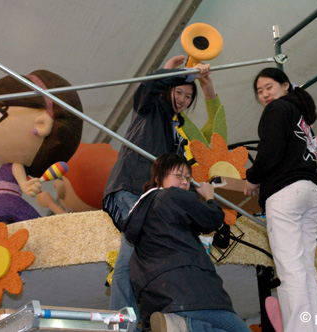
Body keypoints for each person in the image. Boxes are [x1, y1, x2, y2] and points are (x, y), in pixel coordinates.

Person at [102, 56, 211, 328]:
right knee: (129, 260)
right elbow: (149, 84)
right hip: (131, 189)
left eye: (188, 96)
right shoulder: (150, 108)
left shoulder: (176, 131)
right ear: (169, 89)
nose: (184, 99)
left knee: (137, 258)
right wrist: (183, 73)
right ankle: (123, 324)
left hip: (149, 197)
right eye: (180, 92)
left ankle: (134, 321)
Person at [122, 153, 252, 332]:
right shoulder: (171, 196)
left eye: (187, 178)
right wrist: (210, 198)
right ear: (159, 179)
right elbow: (212, 219)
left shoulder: (142, 218)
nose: (184, 182)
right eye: (178, 176)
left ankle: (179, 325)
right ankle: (185, 327)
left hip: (156, 299)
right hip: (191, 291)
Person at [244, 67, 317, 332]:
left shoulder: (277, 110)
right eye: (259, 91)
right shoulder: (302, 116)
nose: (265, 94)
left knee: (290, 270)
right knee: (306, 270)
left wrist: (252, 177)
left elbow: (270, 152)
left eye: (269, 87)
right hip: (311, 193)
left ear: (285, 85)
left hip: (286, 194)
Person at [0, 70, 83, 235]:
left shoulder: (16, 163)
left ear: (41, 125)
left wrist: (24, 185)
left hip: (7, 200)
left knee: (32, 229)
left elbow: (17, 169)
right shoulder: (9, 163)